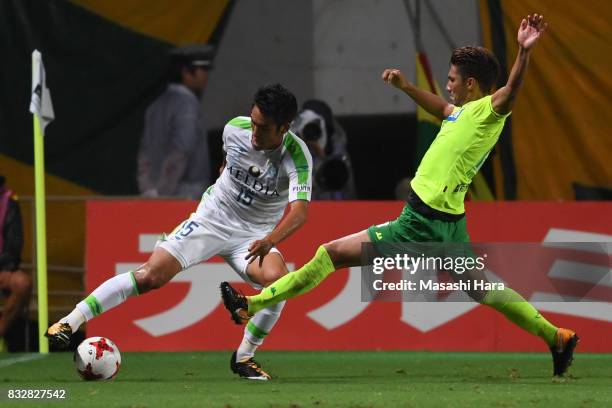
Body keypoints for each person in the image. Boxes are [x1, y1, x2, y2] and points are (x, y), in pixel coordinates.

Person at [221, 15, 578, 377]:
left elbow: (511, 90)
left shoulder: (489, 111)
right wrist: (407, 87)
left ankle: (253, 303)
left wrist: (523, 51)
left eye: (452, 79)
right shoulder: (463, 114)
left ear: (471, 84)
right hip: (448, 223)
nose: (447, 85)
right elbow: (441, 109)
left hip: (420, 223)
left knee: (329, 254)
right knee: (483, 289)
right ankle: (556, 336)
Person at [47, 84, 313, 380]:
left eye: (263, 128)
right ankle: (69, 322)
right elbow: (226, 163)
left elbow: (300, 213)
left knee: (280, 285)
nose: (253, 132)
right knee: (150, 276)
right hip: (211, 219)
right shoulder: (233, 130)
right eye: (252, 122)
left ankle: (244, 357)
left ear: (284, 128)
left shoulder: (297, 156)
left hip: (254, 236)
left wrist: (270, 240)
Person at [137, 44, 214, 199]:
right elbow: (181, 149)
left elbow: (144, 153)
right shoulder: (188, 105)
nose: (206, 75)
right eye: (202, 70)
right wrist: (163, 192)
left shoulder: (156, 105)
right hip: (184, 195)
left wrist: (148, 190)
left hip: (153, 193)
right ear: (186, 72)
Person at [291, 100, 356, 199]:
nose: (311, 133)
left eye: (317, 127)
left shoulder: (337, 150)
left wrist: (322, 157)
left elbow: (342, 189)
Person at [0, 176, 32, 351]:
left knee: (22, 283)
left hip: (3, 266)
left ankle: (0, 333)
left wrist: (6, 266)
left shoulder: (9, 201)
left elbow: (14, 239)